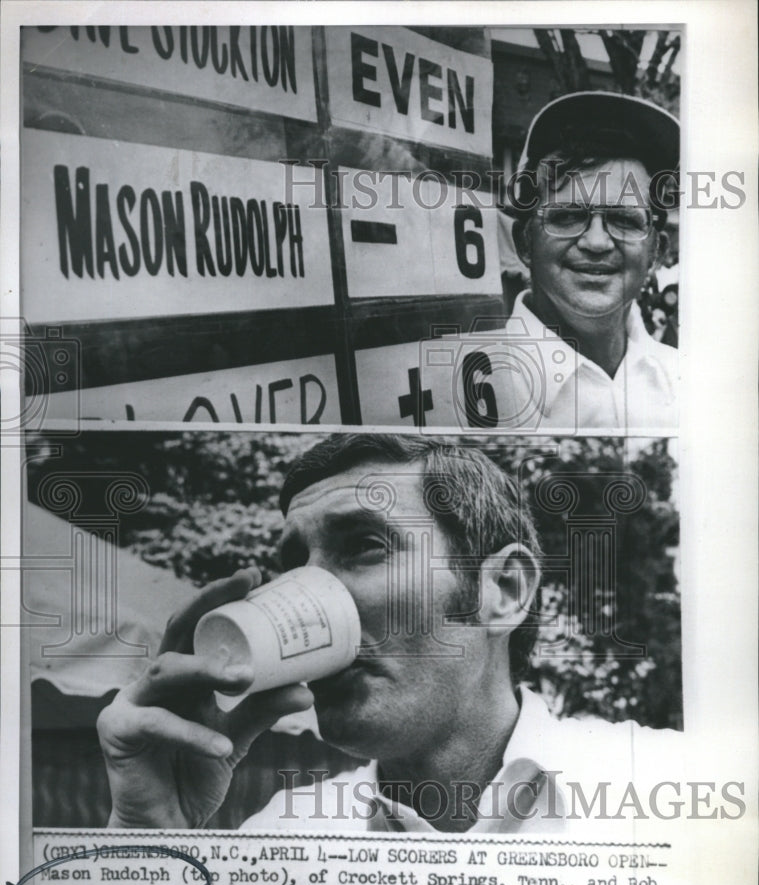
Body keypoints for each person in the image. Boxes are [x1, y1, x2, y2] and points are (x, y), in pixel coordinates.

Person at [97, 434, 678, 833]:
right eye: (296, 565)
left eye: (365, 546)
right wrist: (148, 841)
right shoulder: (284, 837)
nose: (308, 595)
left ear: (503, 590)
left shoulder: (671, 793)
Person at [503, 91, 679, 430]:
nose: (597, 242)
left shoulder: (694, 383)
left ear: (656, 251)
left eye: (625, 220)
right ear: (525, 243)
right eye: (568, 216)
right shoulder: (461, 387)